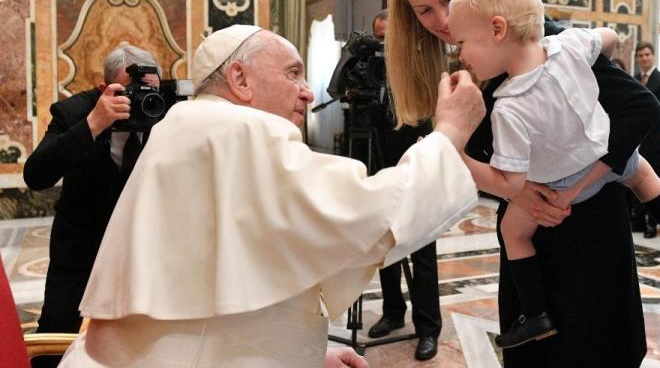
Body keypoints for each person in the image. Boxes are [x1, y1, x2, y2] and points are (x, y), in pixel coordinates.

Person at [57, 24, 487, 367]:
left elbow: (227, 294)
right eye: (292, 72)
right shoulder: (237, 127)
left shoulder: (188, 124)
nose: (308, 90)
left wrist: (304, 357)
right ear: (239, 78)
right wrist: (449, 133)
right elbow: (369, 213)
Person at [386, 0, 660, 365]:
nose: (441, 22)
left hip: (590, 226)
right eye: (424, 11)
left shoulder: (540, 40)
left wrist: (571, 185)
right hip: (528, 240)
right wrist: (516, 192)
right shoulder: (445, 60)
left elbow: (638, 110)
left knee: (602, 349)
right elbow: (450, 161)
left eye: (447, 0)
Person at [447, 0, 660, 348]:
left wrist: (455, 155)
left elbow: (510, 182)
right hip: (607, 156)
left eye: (462, 42)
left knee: (514, 233)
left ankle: (535, 313)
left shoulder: (508, 106)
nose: (460, 54)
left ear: (497, 30)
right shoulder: (569, 46)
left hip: (564, 187)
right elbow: (610, 37)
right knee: (643, 175)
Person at [23, 43, 161, 368]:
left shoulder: (164, 109)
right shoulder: (73, 111)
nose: (143, 99)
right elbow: (36, 175)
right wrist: (93, 124)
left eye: (150, 91)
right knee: (57, 330)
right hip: (80, 242)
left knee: (143, 337)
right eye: (131, 92)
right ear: (104, 88)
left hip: (140, 244)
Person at [365, 9, 442, 361]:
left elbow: (436, 114)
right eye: (378, 38)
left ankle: (428, 328)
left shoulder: (418, 69)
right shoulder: (369, 72)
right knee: (386, 249)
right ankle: (393, 312)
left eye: (388, 38)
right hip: (381, 169)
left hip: (418, 169)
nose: (383, 45)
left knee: (422, 253)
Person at [633, 42, 660, 238]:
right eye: (640, 55)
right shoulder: (633, 79)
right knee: (635, 180)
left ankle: (652, 224)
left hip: (655, 138)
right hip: (635, 139)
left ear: (653, 56)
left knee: (653, 181)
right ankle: (638, 220)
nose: (644, 58)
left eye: (647, 54)